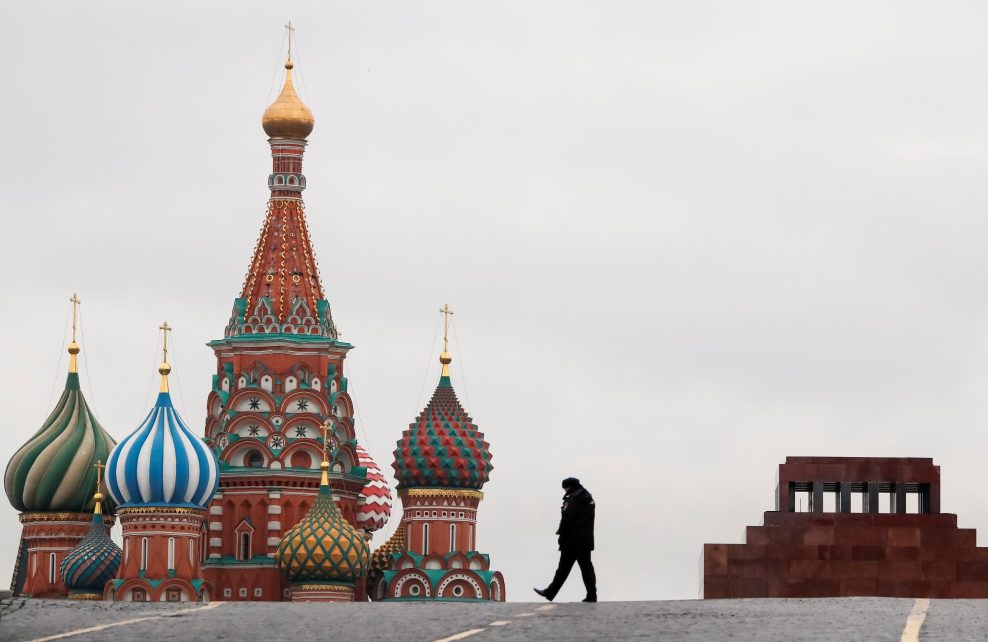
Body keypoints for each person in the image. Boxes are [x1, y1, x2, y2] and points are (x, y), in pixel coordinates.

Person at [534, 477, 597, 602]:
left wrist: (561, 535)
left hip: (572, 541)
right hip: (585, 541)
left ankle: (550, 592)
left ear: (568, 487)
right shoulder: (587, 496)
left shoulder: (574, 498)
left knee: (563, 569)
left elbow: (567, 519)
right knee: (586, 568)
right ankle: (592, 594)